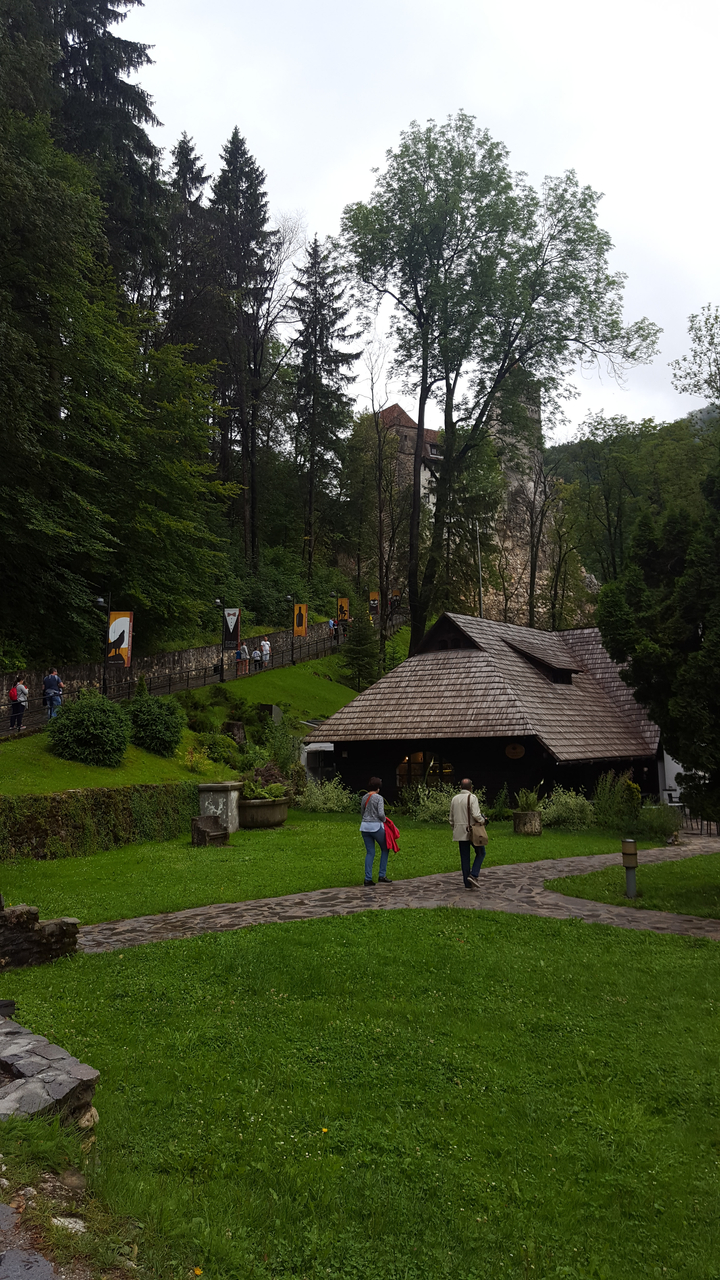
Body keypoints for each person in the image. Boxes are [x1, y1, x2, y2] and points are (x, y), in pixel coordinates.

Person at [449, 778, 488, 890]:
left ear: (460, 787)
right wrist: (483, 820)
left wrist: (454, 828)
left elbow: (451, 818)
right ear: (471, 787)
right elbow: (476, 815)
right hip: (472, 831)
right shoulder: (472, 797)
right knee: (481, 852)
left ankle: (467, 883)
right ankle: (474, 874)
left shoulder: (454, 799)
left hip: (459, 831)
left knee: (464, 857)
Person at [360, 776, 392, 887]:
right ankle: (382, 875)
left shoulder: (364, 797)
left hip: (364, 826)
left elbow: (362, 812)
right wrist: (385, 821)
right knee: (385, 848)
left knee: (370, 852)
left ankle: (367, 878)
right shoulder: (379, 798)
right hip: (375, 826)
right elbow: (381, 814)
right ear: (378, 787)